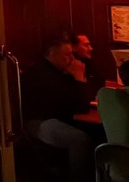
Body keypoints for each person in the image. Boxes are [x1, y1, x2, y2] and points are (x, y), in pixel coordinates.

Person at [21, 37, 92, 182]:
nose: (72, 59)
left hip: (50, 118)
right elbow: (81, 106)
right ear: (52, 54)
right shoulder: (45, 75)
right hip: (36, 122)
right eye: (67, 55)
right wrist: (78, 77)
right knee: (80, 139)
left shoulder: (55, 71)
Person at [68, 32, 105, 100]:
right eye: (86, 45)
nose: (91, 48)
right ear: (74, 47)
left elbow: (101, 87)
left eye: (89, 45)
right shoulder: (68, 67)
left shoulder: (91, 64)